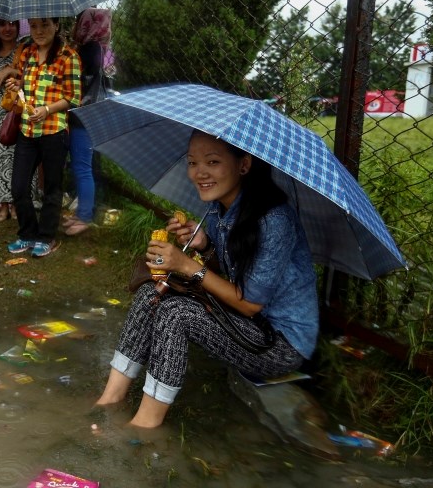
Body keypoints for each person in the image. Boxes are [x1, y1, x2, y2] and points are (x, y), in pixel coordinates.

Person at [95, 132, 319, 428]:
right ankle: (109, 399)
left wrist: (187, 264)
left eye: (212, 162)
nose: (199, 173)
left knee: (177, 314)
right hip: (244, 323)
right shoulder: (218, 208)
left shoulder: (274, 220)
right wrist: (203, 244)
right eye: (192, 163)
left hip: (278, 344)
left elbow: (250, 303)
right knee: (153, 292)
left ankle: (146, 425)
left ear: (244, 165)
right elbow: (227, 269)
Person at [3, 17, 81, 257]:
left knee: (52, 187)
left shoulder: (69, 57)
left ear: (56, 25)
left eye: (45, 25)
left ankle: (46, 236)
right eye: (34, 25)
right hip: (27, 129)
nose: (39, 31)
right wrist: (16, 86)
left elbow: (73, 98)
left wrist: (47, 110)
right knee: (18, 186)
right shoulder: (26, 52)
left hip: (53, 131)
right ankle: (27, 233)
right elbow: (25, 85)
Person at [65, 9, 111, 236]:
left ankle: (85, 216)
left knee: (82, 166)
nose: (76, 26)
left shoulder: (89, 49)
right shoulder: (100, 49)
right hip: (90, 114)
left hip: (83, 116)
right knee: (84, 165)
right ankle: (83, 211)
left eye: (79, 22)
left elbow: (79, 81)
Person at [0, 18, 24, 222]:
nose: (7, 28)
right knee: (0, 159)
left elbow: (32, 74)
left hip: (20, 111)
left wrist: (11, 70)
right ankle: (3, 205)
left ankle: (19, 203)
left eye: (12, 23)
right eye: (2, 24)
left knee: (20, 158)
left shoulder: (25, 48)